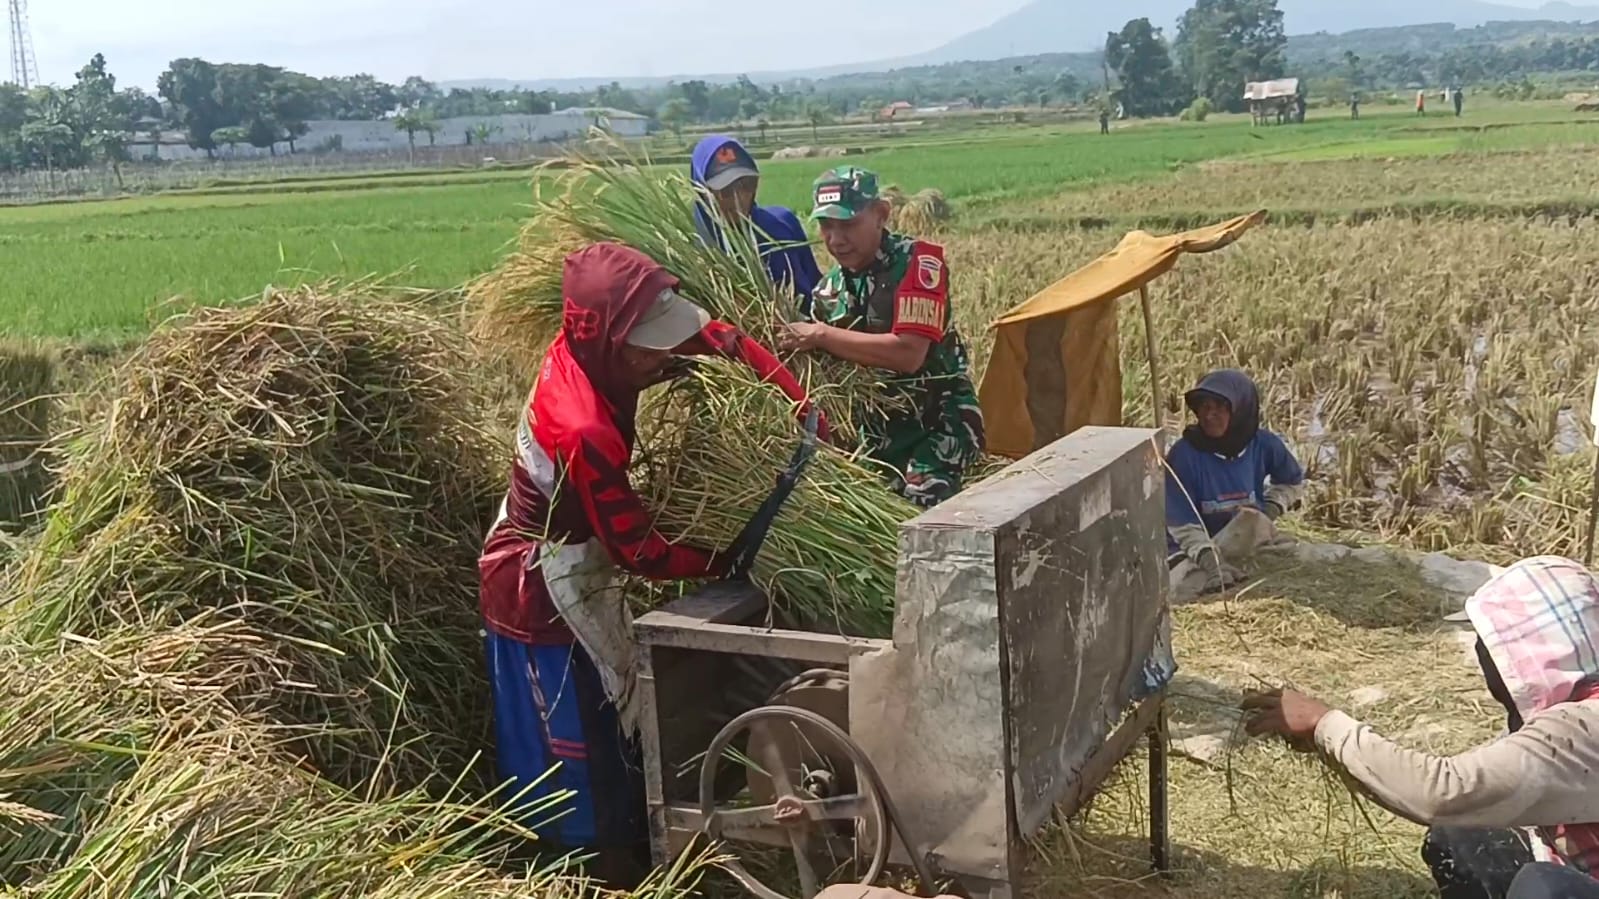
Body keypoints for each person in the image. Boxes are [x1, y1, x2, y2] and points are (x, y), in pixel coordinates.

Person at [478, 242, 827, 886]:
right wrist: (726, 556)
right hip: (539, 586)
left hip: (582, 560)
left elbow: (719, 338)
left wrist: (801, 408)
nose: (665, 355)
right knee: (578, 748)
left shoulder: (610, 352)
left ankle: (628, 847)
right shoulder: (581, 425)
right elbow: (638, 551)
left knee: (617, 720)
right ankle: (597, 873)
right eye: (650, 346)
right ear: (609, 341)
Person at [1243, 556, 1599, 899]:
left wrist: (1325, 724)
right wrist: (1327, 744)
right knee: (1465, 835)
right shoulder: (1576, 714)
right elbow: (1470, 798)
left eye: (1490, 647)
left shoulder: (1581, 729)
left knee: (1545, 888)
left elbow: (1444, 792)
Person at [778, 166, 984, 508]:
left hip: (936, 425)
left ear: (881, 215)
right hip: (874, 437)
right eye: (826, 226)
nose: (836, 239)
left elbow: (908, 354)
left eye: (848, 224)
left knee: (921, 509)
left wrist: (821, 335)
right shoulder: (828, 291)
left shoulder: (918, 265)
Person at [1165, 369, 1305, 589]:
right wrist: (1213, 564)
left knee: (1298, 559)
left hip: (1243, 540)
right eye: (1204, 406)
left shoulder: (1263, 445)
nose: (1209, 415)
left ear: (1240, 410)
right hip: (1194, 550)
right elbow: (1181, 523)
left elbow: (1293, 482)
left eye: (1220, 407)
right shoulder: (1184, 455)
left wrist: (1268, 512)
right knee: (1192, 586)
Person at [690, 135, 824, 312]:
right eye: (726, 191)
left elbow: (816, 286)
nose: (739, 197)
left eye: (747, 185)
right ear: (701, 191)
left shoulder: (781, 225)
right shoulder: (694, 249)